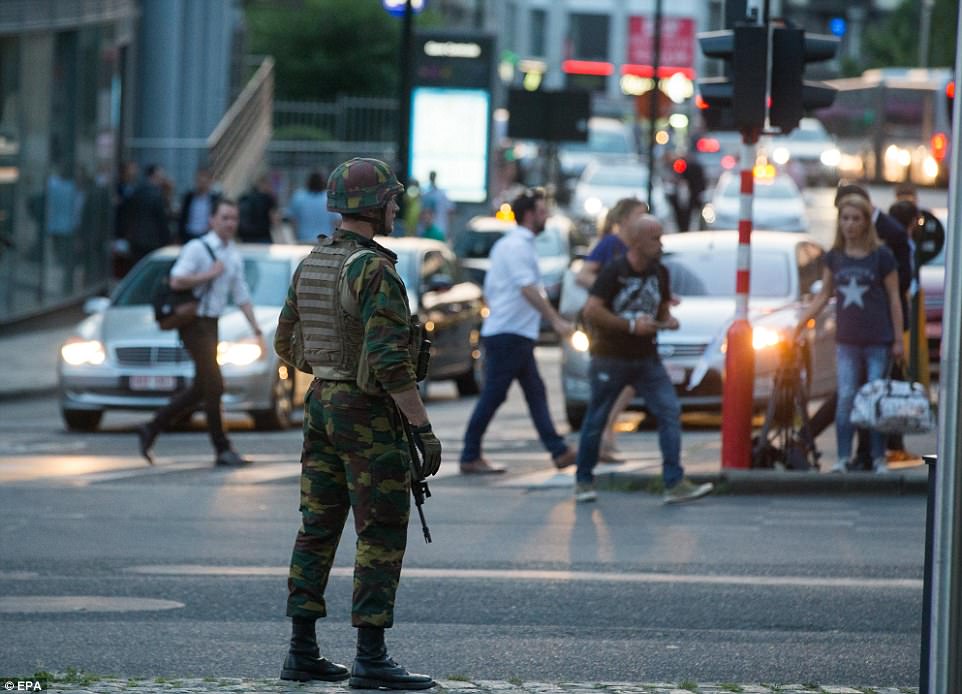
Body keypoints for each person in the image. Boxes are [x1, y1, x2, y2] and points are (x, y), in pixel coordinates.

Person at [273, 157, 439, 689]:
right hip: (366, 413)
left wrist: (329, 370)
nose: (396, 207)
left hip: (321, 402)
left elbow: (285, 343)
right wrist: (421, 429)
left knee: (317, 525)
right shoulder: (374, 270)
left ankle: (302, 650)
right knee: (381, 528)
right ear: (373, 206)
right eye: (391, 200)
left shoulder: (313, 263)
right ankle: (371, 656)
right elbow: (391, 363)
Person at [573, 214, 714, 504]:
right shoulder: (615, 271)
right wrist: (629, 326)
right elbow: (592, 310)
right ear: (637, 242)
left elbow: (661, 309)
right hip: (611, 357)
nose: (660, 244)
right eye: (655, 238)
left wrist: (668, 320)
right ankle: (584, 480)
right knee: (597, 417)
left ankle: (673, 481)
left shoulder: (659, 272)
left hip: (647, 357)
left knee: (669, 411)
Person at [135, 199, 263, 468]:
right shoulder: (197, 248)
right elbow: (176, 279)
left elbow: (241, 294)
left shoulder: (232, 253)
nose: (230, 223)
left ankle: (152, 427)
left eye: (234, 218)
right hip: (193, 324)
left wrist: (255, 327)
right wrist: (209, 274)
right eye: (225, 218)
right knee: (214, 385)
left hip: (211, 324)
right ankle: (222, 448)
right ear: (212, 220)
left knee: (201, 387)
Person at [459, 188, 577, 475]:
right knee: (495, 395)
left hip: (512, 332)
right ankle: (469, 454)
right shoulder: (518, 246)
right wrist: (556, 320)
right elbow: (527, 289)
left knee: (535, 391)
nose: (546, 215)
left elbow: (509, 289)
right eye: (541, 211)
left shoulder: (509, 246)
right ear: (528, 215)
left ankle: (558, 450)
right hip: (509, 333)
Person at [805, 183, 914, 470]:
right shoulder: (835, 257)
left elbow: (894, 298)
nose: (850, 224)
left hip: (879, 340)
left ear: (866, 222)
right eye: (845, 218)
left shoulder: (882, 256)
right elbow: (823, 295)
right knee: (847, 398)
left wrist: (898, 340)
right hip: (847, 341)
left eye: (856, 218)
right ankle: (842, 457)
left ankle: (878, 457)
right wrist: (801, 323)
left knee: (874, 401)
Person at [575, 197, 649, 462]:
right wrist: (611, 288)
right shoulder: (611, 244)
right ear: (625, 219)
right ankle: (601, 439)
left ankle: (606, 434)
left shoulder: (639, 248)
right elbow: (583, 275)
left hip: (628, 324)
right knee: (611, 384)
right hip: (608, 323)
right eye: (640, 215)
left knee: (627, 382)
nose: (644, 220)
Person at [125, 164, 172, 265]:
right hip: (152, 240)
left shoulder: (136, 192)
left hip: (135, 238)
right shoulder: (156, 195)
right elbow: (161, 220)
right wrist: (167, 239)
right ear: (154, 177)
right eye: (160, 177)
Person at [288, 170, 340, 242]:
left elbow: (293, 221)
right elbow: (336, 222)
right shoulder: (329, 198)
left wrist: (295, 237)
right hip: (325, 241)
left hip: (303, 240)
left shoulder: (298, 197)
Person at [177, 166, 219, 245]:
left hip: (207, 235)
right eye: (199, 180)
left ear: (210, 181)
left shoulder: (215, 199)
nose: (202, 183)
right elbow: (182, 217)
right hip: (189, 235)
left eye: (205, 180)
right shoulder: (188, 197)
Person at [238, 173, 279, 243]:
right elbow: (274, 220)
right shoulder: (268, 199)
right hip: (263, 238)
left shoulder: (245, 197)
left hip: (246, 238)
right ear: (265, 184)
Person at [420, 171, 454, 241]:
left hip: (440, 228)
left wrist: (449, 230)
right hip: (428, 228)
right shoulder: (425, 194)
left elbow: (450, 212)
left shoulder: (442, 194)